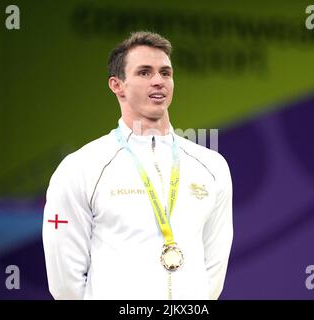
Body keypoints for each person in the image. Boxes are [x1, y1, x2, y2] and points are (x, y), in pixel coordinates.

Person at [42, 31, 233, 300]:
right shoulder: (82, 167)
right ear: (117, 85)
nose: (158, 81)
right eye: (145, 72)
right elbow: (65, 282)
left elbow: (214, 266)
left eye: (165, 73)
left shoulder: (211, 166)